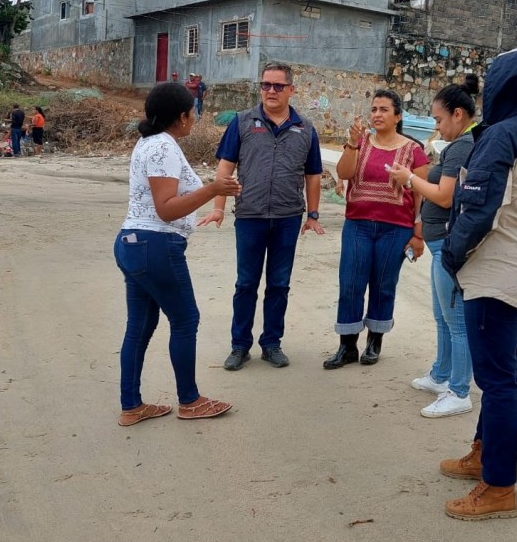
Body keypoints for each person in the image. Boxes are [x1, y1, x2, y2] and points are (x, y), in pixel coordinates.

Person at [437, 46, 517, 520]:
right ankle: (483, 455)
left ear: (507, 80)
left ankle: (499, 486)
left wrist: (451, 258)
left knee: (497, 381)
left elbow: (477, 212)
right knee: (506, 369)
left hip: (495, 271)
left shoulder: (502, 135)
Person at [114, 82, 241, 426]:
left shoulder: (150, 143)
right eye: (193, 112)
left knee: (139, 326)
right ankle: (190, 400)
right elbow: (166, 209)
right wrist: (213, 189)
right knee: (185, 320)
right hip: (156, 245)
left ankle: (132, 405)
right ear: (182, 116)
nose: (195, 118)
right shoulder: (162, 148)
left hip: (134, 242)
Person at [200, 62, 325, 371]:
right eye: (266, 85)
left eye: (278, 86)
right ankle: (239, 346)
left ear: (291, 90)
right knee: (245, 283)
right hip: (250, 215)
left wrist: (313, 214)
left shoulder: (305, 128)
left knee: (279, 284)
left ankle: (271, 344)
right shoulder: (243, 122)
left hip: (287, 218)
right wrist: (218, 207)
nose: (270, 91)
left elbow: (313, 175)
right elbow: (225, 169)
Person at [388, 74, 479, 418]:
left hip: (449, 246)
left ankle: (459, 391)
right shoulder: (457, 146)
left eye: (439, 120)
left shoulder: (462, 147)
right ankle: (442, 375)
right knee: (443, 317)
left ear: (458, 115)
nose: (437, 128)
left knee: (456, 322)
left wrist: (410, 179)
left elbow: (444, 195)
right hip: (440, 242)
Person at [322, 90, 429, 369]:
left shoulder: (413, 150)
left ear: (398, 116)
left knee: (383, 284)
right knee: (350, 283)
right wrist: (352, 143)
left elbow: (421, 196)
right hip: (358, 224)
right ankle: (347, 346)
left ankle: (374, 341)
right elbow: (344, 174)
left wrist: (418, 235)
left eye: (384, 109)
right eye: (374, 109)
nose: (377, 115)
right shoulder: (361, 143)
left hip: (396, 229)